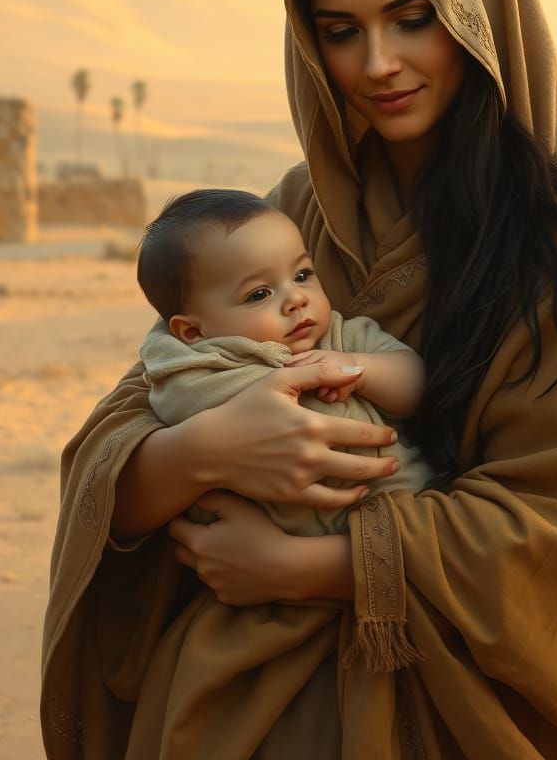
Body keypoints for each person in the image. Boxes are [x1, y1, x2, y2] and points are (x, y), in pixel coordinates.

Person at [42, 0, 557, 760]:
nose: (378, 64)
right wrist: (209, 452)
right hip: (245, 697)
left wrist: (307, 567)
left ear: (477, 12)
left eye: (412, 19)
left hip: (459, 706)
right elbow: (130, 425)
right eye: (341, 30)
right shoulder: (299, 211)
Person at [135, 187, 432, 535]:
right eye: (259, 294)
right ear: (192, 331)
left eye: (302, 275)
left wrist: (360, 369)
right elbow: (180, 415)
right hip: (279, 532)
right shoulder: (195, 369)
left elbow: (415, 387)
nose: (295, 299)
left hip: (399, 506)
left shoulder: (340, 337)